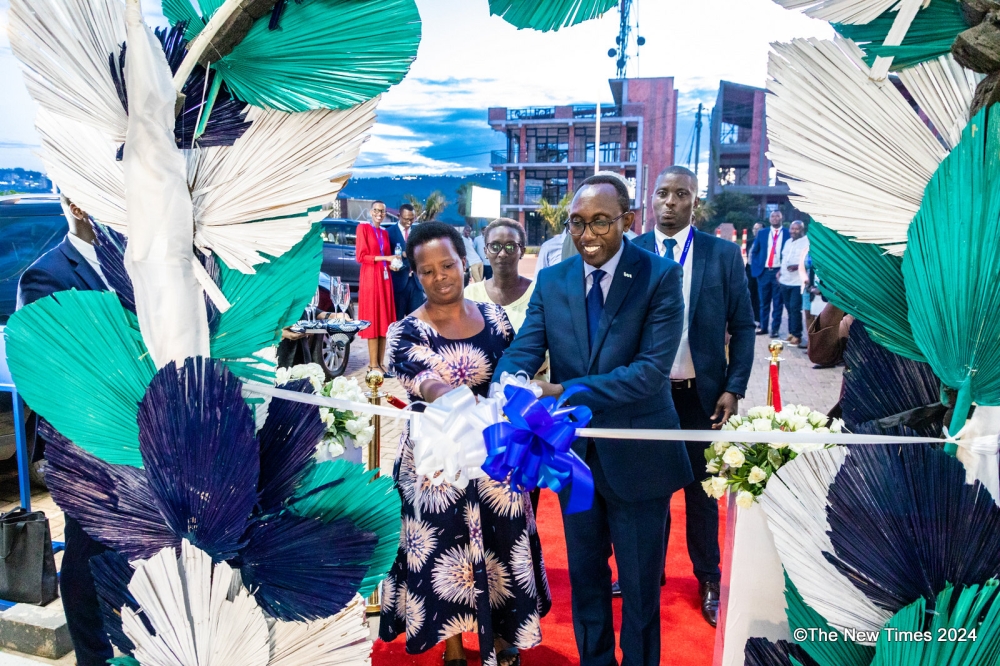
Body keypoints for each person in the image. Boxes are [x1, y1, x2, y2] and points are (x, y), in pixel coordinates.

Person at [494, 174, 691, 666]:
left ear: (627, 220)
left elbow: (648, 374)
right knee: (585, 581)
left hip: (640, 458)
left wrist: (564, 391)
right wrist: (510, 384)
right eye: (578, 223)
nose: (587, 235)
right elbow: (524, 347)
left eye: (601, 222)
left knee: (642, 591)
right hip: (572, 459)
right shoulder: (554, 279)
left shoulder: (660, 277)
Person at [379, 222, 550, 666]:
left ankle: (500, 635)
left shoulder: (495, 320)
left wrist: (538, 392)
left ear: (464, 263)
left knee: (501, 545)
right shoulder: (404, 332)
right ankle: (452, 644)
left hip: (495, 462)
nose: (440, 277)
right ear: (416, 276)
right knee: (444, 554)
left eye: (447, 265)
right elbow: (421, 379)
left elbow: (516, 372)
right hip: (437, 468)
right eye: (427, 270)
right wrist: (452, 396)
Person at [633, 166, 756, 626]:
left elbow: (743, 327)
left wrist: (734, 387)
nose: (669, 202)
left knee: (702, 493)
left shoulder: (722, 255)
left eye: (680, 194)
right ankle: (647, 571)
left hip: (700, 396)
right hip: (646, 396)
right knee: (647, 489)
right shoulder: (634, 251)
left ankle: (708, 578)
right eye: (661, 193)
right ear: (651, 199)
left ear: (693, 202)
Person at [16, 195, 114, 666]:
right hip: (89, 453)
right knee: (88, 560)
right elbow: (47, 380)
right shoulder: (46, 276)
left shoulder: (139, 267)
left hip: (150, 454)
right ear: (75, 202)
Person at [464, 218, 533, 331]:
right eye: (495, 247)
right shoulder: (470, 295)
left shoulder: (537, 294)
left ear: (522, 251)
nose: (502, 254)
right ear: (485, 251)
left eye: (510, 247)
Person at [356, 201, 397, 372]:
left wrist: (393, 262)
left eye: (383, 211)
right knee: (374, 318)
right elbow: (361, 257)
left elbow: (386, 255)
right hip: (371, 278)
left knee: (384, 320)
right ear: (370, 211)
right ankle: (373, 364)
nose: (380, 213)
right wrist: (385, 259)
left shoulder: (385, 233)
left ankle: (381, 363)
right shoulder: (363, 228)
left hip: (385, 278)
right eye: (377, 210)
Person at [749, 210, 790, 337]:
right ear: (770, 219)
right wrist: (757, 267)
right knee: (763, 302)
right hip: (764, 272)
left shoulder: (788, 233)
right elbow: (754, 252)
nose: (775, 218)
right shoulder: (762, 233)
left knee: (778, 303)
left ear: (782, 218)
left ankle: (775, 329)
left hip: (780, 272)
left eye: (778, 216)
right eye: (773, 216)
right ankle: (763, 327)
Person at [386, 203, 426, 320]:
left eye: (412, 219)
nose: (409, 222)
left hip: (416, 283)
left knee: (416, 321)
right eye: (406, 219)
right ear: (399, 216)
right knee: (397, 321)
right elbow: (385, 256)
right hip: (398, 283)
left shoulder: (418, 233)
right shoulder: (389, 233)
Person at [778, 221, 809, 346]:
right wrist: (779, 272)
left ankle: (797, 335)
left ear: (802, 230)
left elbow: (809, 261)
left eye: (796, 229)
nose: (793, 231)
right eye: (792, 228)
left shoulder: (807, 242)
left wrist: (798, 266)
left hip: (798, 282)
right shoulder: (787, 242)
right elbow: (784, 259)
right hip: (785, 280)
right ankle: (791, 332)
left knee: (795, 309)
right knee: (789, 309)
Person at [746, 222, 763, 327]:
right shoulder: (749, 242)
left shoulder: (765, 242)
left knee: (759, 296)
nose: (756, 230)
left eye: (759, 228)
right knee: (748, 294)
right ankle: (749, 318)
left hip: (760, 271)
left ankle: (759, 319)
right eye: (754, 228)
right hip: (749, 269)